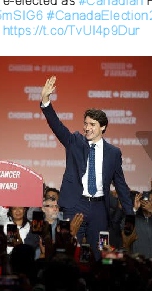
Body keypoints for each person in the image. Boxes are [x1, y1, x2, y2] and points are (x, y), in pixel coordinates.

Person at [40, 75, 133, 258]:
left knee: (100, 252)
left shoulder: (113, 153)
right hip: (75, 204)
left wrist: (130, 214)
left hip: (99, 210)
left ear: (103, 127)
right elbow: (56, 126)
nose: (87, 128)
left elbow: (120, 185)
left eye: (92, 124)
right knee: (67, 250)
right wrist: (46, 101)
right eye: (85, 124)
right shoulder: (75, 141)